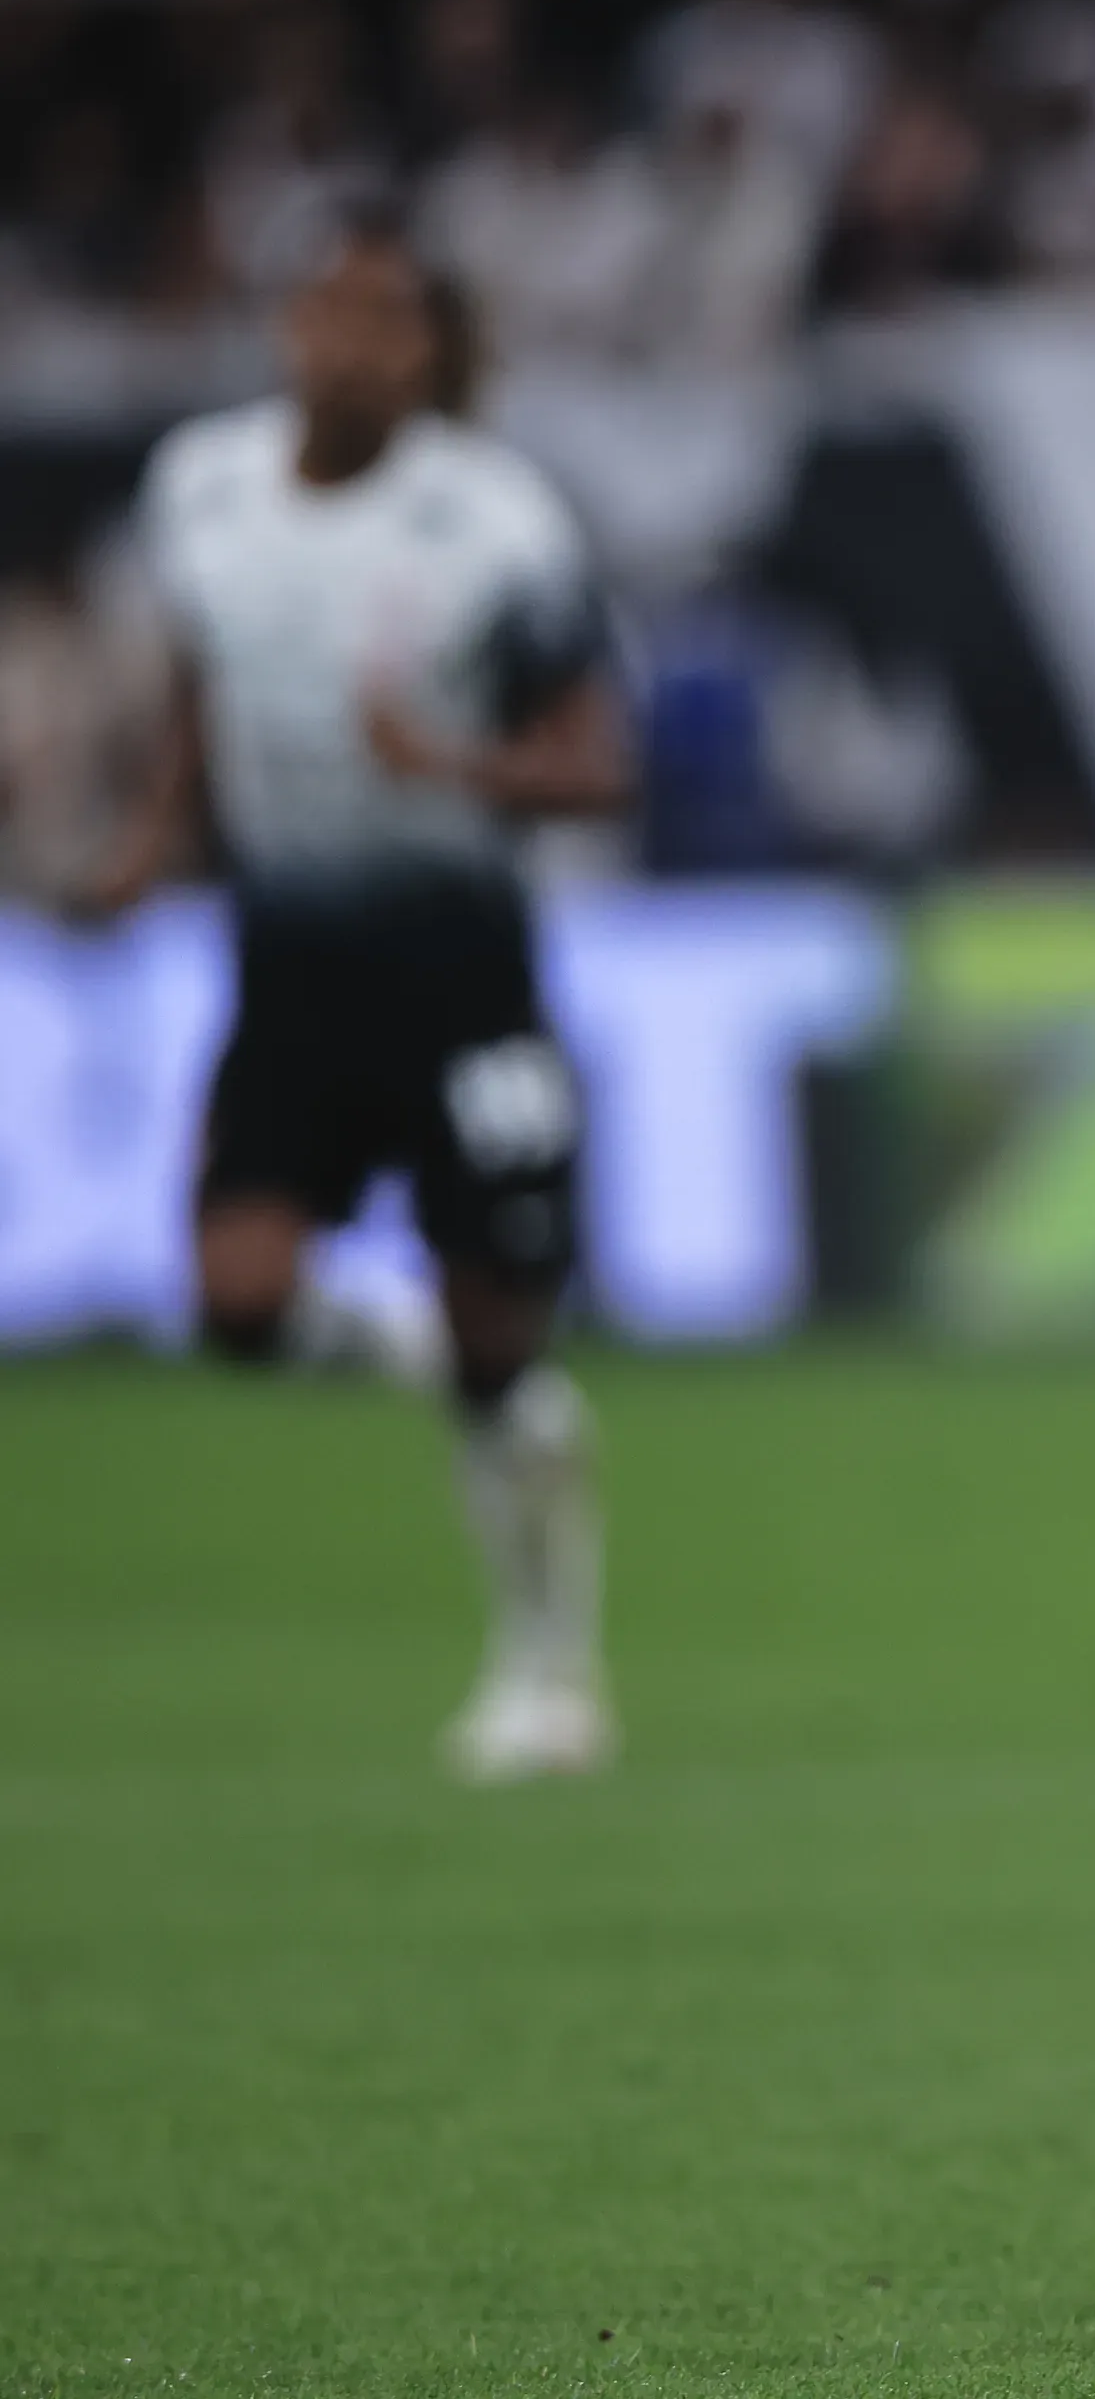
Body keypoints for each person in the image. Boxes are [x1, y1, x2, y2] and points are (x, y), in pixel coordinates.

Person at [82, 215, 634, 1783]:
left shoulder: (498, 522)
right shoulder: (203, 486)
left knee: (499, 1324)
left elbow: (599, 763)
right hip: (290, 959)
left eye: (392, 321)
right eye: (332, 312)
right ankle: (439, 1358)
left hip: (460, 964)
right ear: (289, 330)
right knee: (240, 1306)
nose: (356, 345)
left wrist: (448, 764)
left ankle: (548, 1670)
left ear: (430, 352)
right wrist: (151, 839)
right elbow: (205, 681)